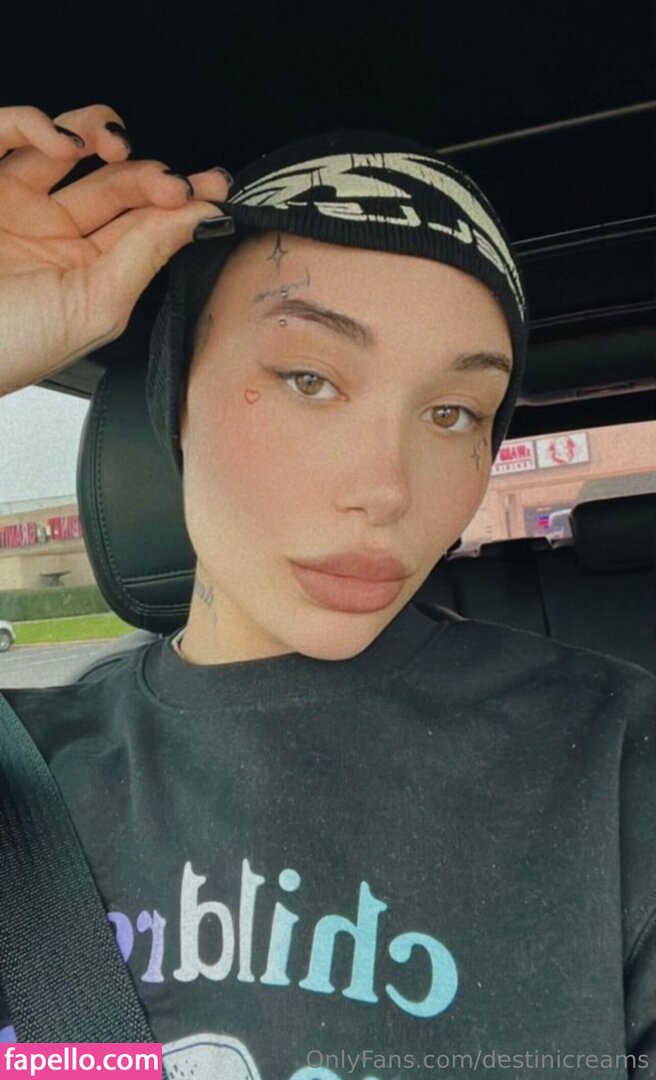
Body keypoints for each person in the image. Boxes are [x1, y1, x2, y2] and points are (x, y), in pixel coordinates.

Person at [0, 103, 654, 1079]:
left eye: (451, 412)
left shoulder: (619, 764)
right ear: (175, 400)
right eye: (310, 378)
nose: (386, 489)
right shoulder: (25, 773)